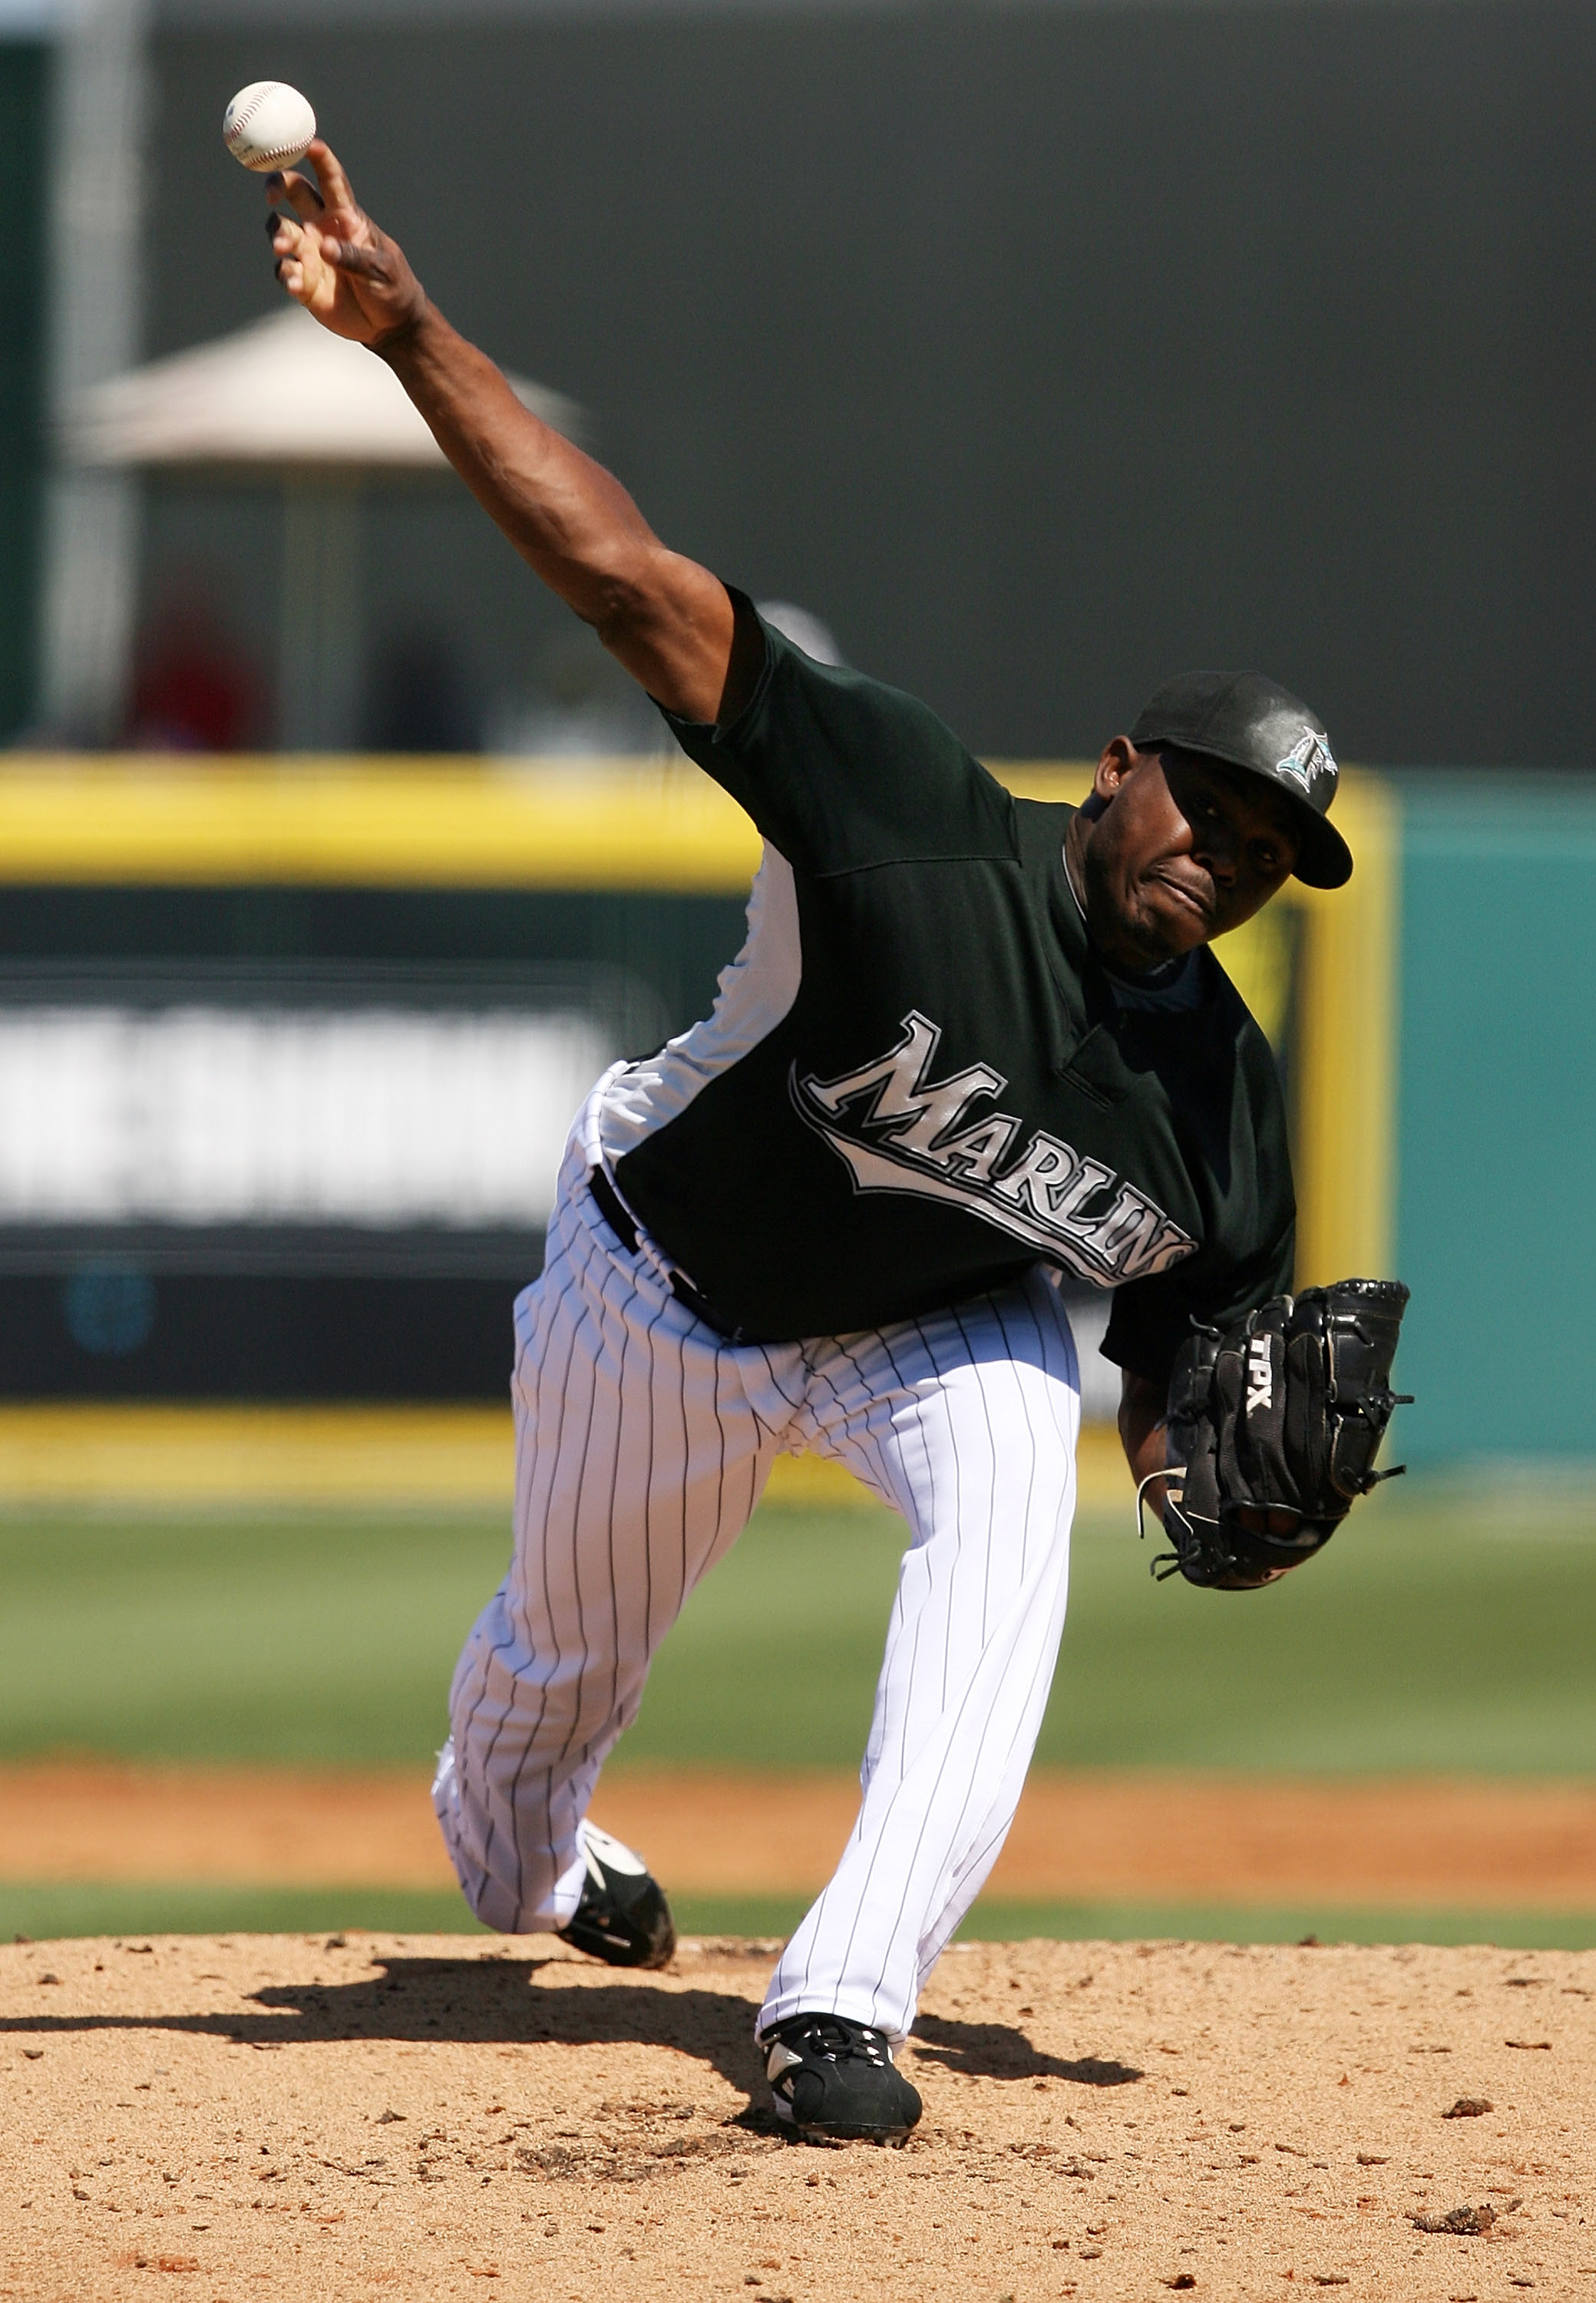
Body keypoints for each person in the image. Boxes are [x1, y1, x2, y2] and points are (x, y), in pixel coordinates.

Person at [263, 144, 1353, 2146]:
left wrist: (1221, 1476)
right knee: (548, 1692)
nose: (1229, 862)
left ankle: (843, 2004)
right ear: (1115, 774)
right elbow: (628, 584)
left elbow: (1191, 1367)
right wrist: (410, 331)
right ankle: (532, 1845)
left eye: (1273, 856)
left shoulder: (1225, 1102)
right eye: (1207, 808)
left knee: (1019, 1475)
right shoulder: (906, 823)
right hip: (661, 1288)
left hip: (927, 1330)